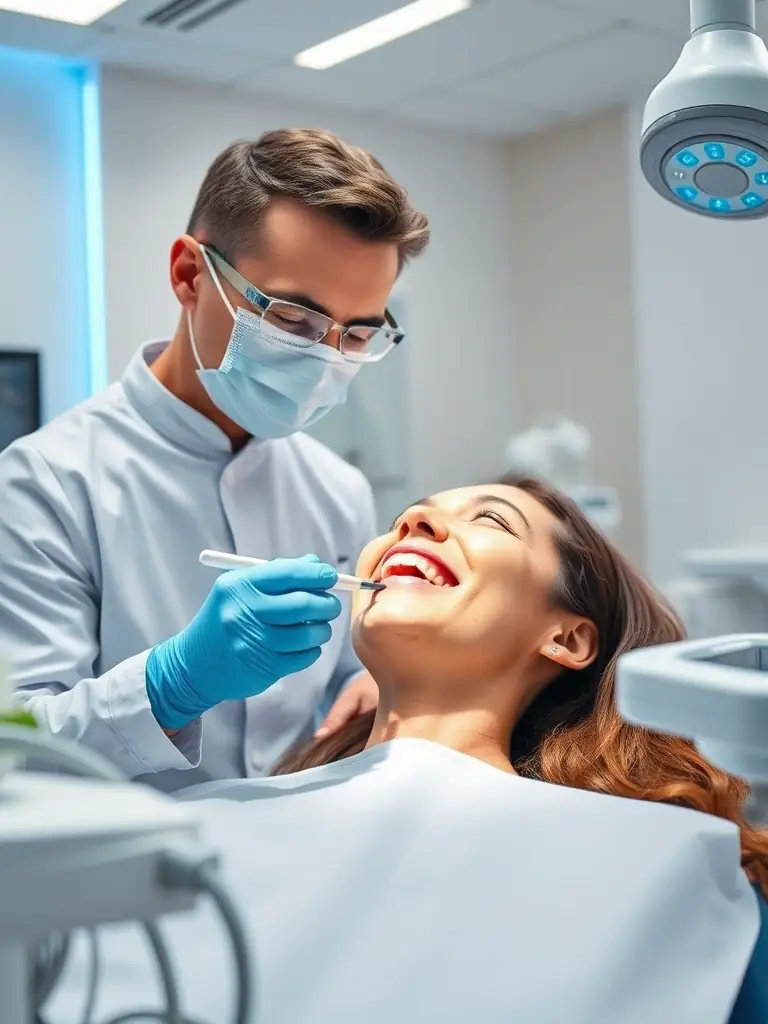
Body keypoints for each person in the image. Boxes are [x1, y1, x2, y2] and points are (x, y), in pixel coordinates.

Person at [47, 477, 768, 1024]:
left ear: (568, 638)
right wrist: (171, 685)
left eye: (488, 520)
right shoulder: (187, 831)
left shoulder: (672, 866)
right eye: (406, 517)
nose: (415, 520)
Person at [0, 129, 429, 791]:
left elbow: (351, 671)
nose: (326, 360)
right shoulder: (45, 483)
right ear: (189, 275)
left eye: (359, 333)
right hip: (131, 878)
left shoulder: (337, 488)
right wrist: (171, 685)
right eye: (295, 320)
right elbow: (17, 753)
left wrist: (372, 681)